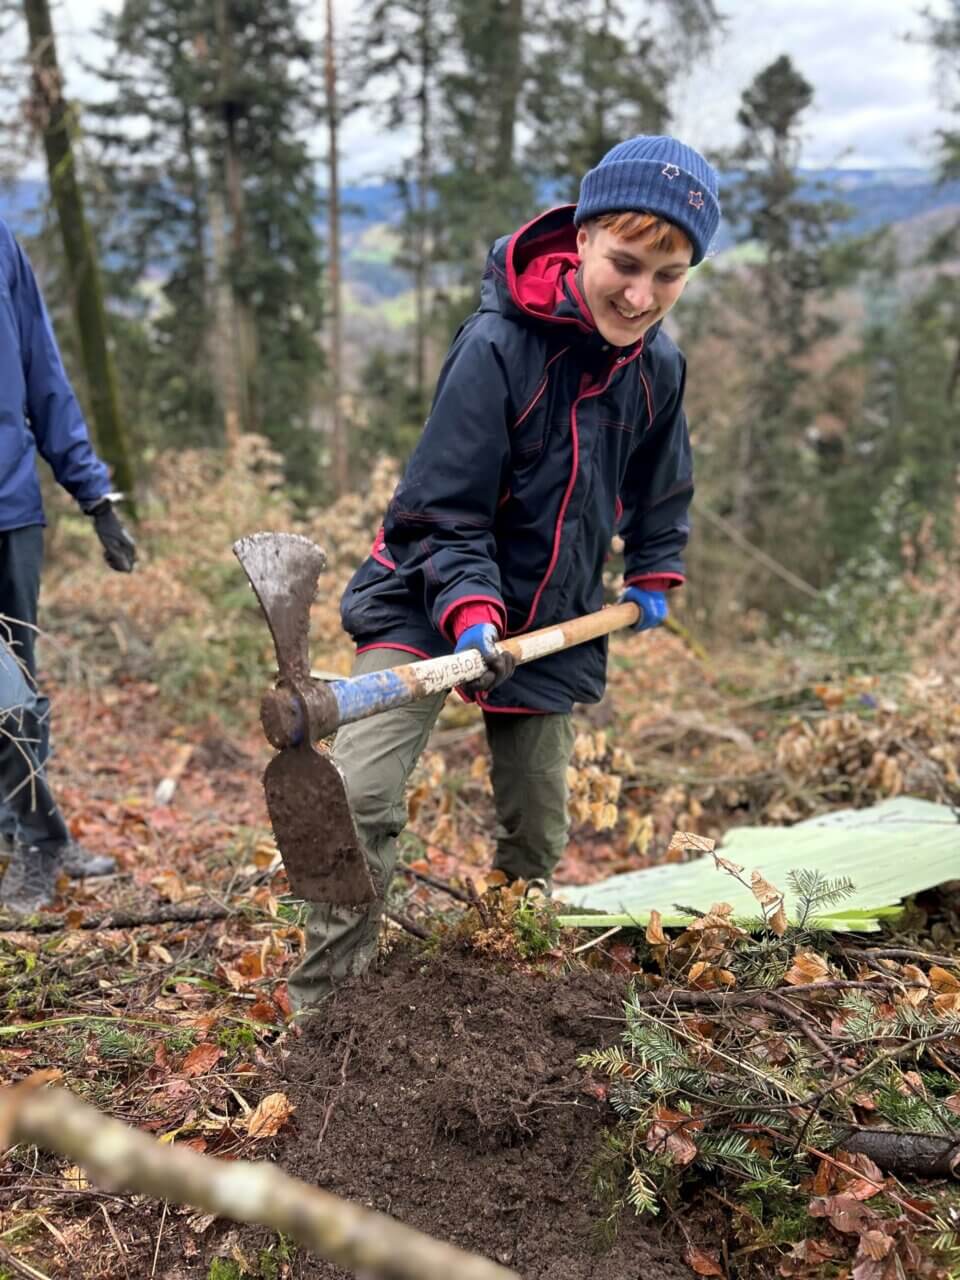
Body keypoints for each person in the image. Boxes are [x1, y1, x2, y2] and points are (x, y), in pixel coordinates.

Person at [288, 135, 720, 1011]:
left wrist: (655, 569)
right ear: (584, 238)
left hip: (554, 612)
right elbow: (442, 507)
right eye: (625, 264)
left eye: (668, 277)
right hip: (426, 589)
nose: (641, 296)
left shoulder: (659, 368)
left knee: (537, 821)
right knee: (361, 793)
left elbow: (662, 483)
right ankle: (330, 1007)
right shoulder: (496, 346)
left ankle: (505, 981)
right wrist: (470, 607)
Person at [0, 215, 137, 915]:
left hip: (11, 511)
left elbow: (43, 376)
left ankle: (23, 829)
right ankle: (40, 838)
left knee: (18, 687)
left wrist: (95, 497)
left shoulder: (1, 242)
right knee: (3, 693)